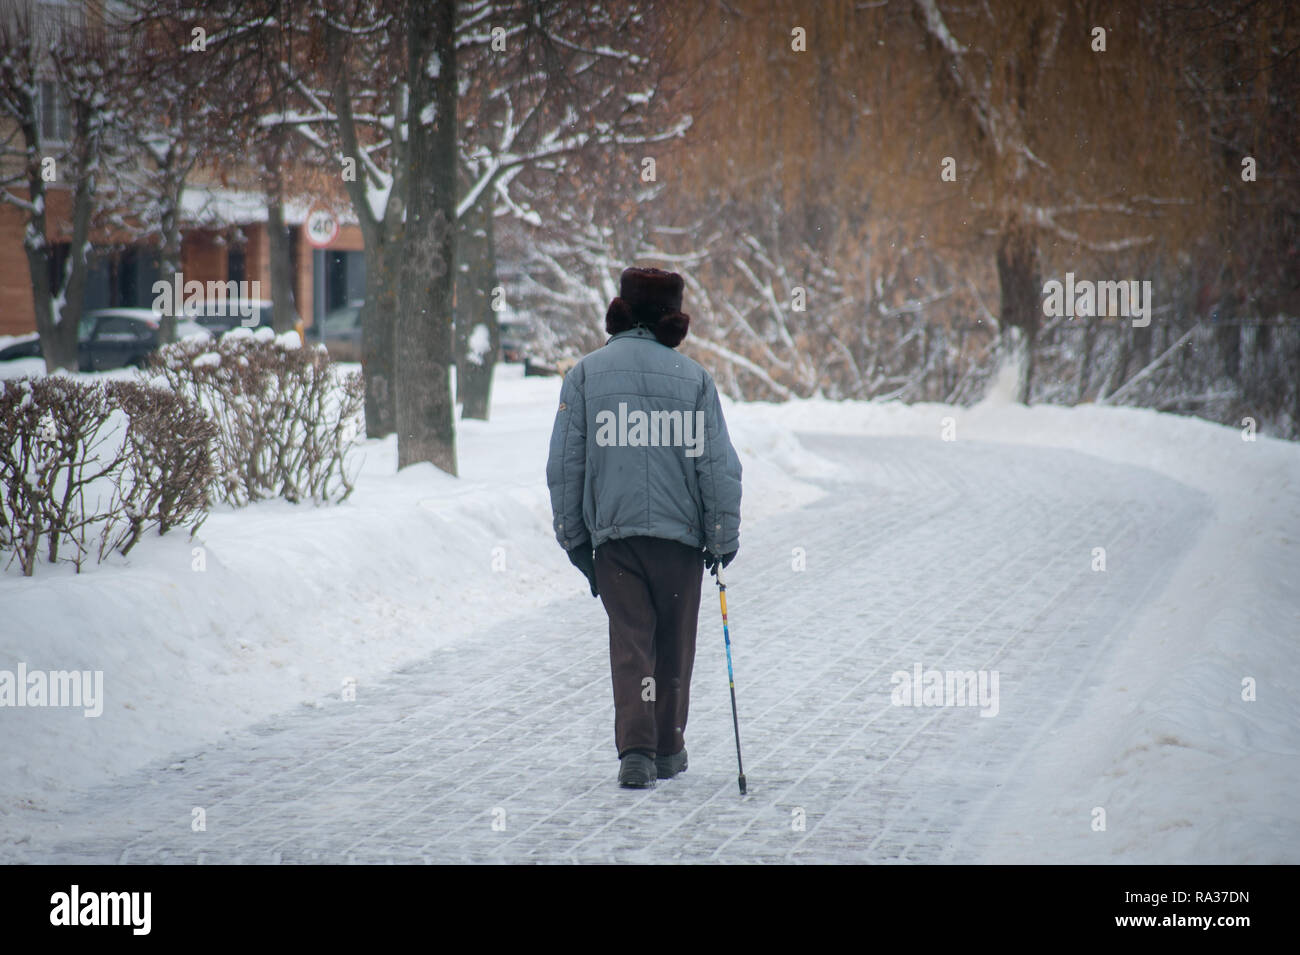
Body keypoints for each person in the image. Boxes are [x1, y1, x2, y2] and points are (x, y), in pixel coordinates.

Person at [546, 267, 743, 789]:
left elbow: (566, 466)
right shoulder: (695, 380)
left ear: (623, 310)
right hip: (678, 544)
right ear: (672, 320)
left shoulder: (585, 376)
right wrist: (721, 537)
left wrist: (576, 539)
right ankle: (667, 747)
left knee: (632, 642)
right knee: (674, 645)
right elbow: (717, 468)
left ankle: (635, 750)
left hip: (616, 542)